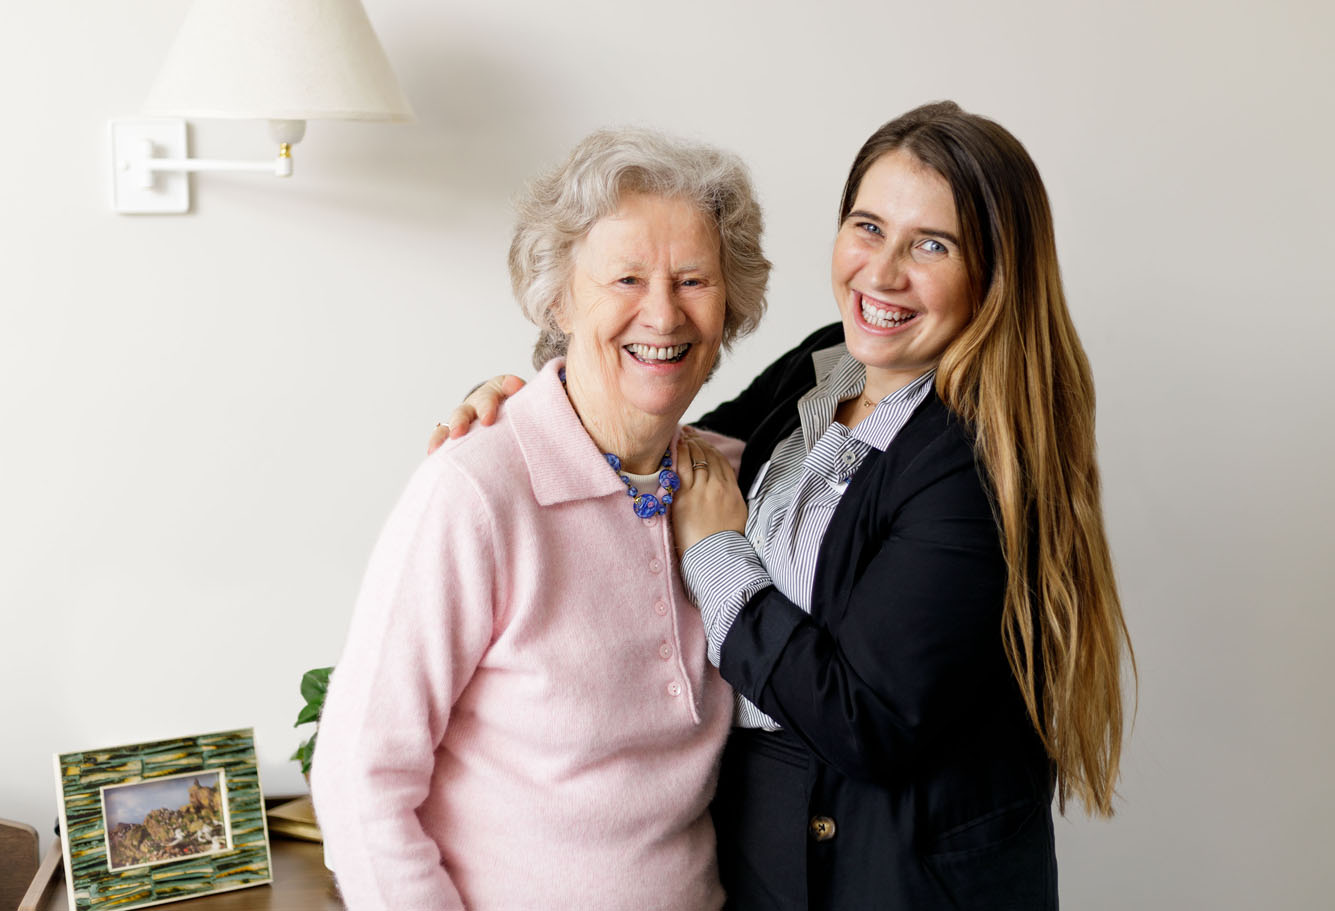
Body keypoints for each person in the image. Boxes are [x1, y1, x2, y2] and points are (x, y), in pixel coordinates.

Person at [435, 101, 1134, 910]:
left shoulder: (974, 460)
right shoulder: (826, 362)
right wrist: (525, 409)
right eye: (868, 228)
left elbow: (862, 718)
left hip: (901, 877)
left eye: (931, 245)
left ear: (993, 273)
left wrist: (715, 554)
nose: (881, 273)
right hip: (766, 850)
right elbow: (660, 447)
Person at [311, 127, 771, 910]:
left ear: (729, 302)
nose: (662, 314)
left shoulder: (735, 484)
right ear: (558, 296)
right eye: (625, 277)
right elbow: (360, 778)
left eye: (692, 279)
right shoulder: (474, 491)